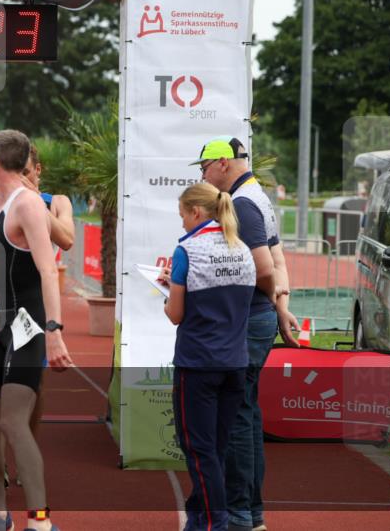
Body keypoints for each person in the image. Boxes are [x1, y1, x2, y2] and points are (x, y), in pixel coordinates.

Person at [0, 130, 72, 531]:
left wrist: (53, 330)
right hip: (2, 326)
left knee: (13, 422)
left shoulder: (30, 207)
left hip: (31, 325)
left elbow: (46, 270)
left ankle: (39, 522)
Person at [189, 136, 298, 531]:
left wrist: (270, 301)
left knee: (234, 417)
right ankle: (250, 513)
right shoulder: (257, 196)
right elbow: (278, 259)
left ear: (221, 162)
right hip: (258, 316)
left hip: (247, 319)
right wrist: (280, 307)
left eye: (202, 167)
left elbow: (265, 267)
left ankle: (239, 513)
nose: (202, 175)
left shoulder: (242, 203)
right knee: (246, 416)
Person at [161, 182, 255, 531]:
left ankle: (215, 523)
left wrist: (167, 290)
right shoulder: (242, 248)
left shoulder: (188, 249)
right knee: (214, 448)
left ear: (197, 212)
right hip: (234, 362)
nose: (182, 223)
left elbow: (175, 314)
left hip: (198, 363)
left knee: (199, 451)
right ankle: (199, 518)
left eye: (183, 215)